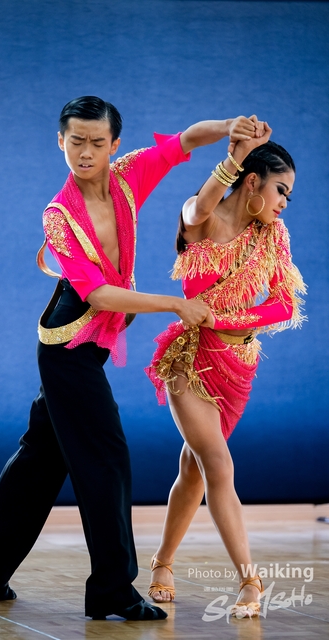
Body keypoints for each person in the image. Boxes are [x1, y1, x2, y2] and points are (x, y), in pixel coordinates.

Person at [0, 96, 258, 620]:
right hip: (67, 351)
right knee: (106, 456)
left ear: (114, 145)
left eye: (96, 143)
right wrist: (174, 303)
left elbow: (185, 142)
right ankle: (112, 590)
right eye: (75, 141)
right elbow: (99, 296)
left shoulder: (128, 177)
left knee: (41, 457)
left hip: (93, 346)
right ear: (61, 141)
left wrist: (228, 129)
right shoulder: (59, 215)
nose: (85, 152)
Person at [145, 122, 306, 618]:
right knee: (218, 464)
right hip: (190, 362)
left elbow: (283, 304)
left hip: (238, 366)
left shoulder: (272, 235)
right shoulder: (201, 219)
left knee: (193, 470)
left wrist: (229, 319)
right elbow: (199, 207)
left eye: (289, 195)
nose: (284, 203)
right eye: (281, 190)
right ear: (253, 181)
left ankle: (161, 562)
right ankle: (250, 581)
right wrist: (234, 154)